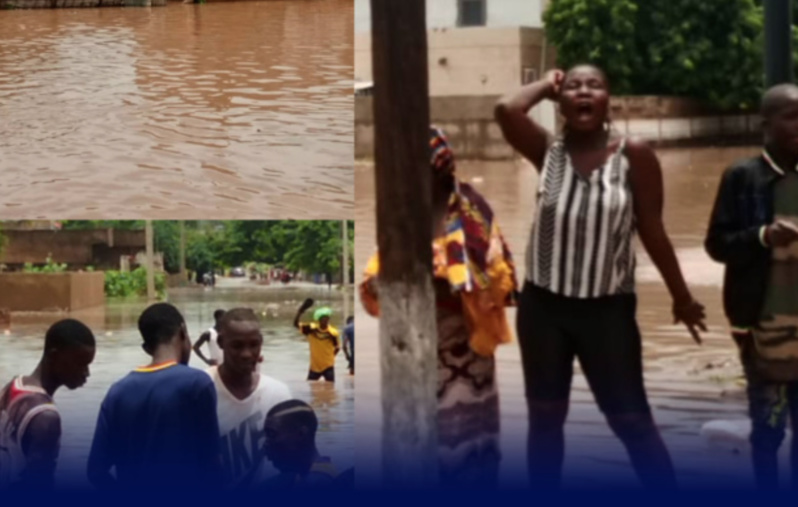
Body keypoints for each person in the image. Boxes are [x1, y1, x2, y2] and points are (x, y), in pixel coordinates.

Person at [494, 64, 706, 490]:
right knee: (546, 420)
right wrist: (547, 83)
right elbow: (506, 109)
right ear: (561, 102)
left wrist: (682, 298)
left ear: (609, 100)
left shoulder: (634, 155)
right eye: (573, 87)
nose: (584, 92)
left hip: (607, 312)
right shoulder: (547, 151)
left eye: (595, 86)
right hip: (544, 309)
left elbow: (653, 231)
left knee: (632, 421)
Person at [360, 127, 518, 488]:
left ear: (437, 169)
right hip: (410, 355)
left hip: (464, 353)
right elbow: (375, 280)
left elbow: (496, 280)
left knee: (465, 447)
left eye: (413, 169)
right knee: (410, 448)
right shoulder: (401, 216)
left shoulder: (470, 212)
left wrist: (446, 275)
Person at [705, 83, 798, 491]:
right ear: (766, 125)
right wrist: (762, 236)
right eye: (792, 117)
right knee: (768, 429)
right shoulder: (742, 176)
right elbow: (717, 245)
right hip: (762, 330)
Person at [86, 303, 221, 490]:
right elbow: (211, 465)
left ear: (146, 348)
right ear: (183, 331)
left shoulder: (117, 392)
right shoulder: (197, 384)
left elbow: (96, 471)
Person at [0, 320, 96, 490]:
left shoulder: (14, 386)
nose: (86, 373)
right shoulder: (45, 417)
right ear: (54, 356)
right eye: (80, 364)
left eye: (88, 365)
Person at [205, 308, 292, 489]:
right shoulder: (202, 390)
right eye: (237, 346)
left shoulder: (278, 395)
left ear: (261, 343)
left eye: (253, 345)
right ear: (221, 343)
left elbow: (294, 460)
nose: (246, 354)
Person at [257, 400, 340, 490]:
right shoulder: (303, 475)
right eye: (266, 436)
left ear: (301, 434)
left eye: (272, 435)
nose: (265, 444)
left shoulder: (316, 483)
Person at [294, 301, 340, 382]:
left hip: (328, 365)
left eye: (327, 319)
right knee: (309, 385)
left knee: (330, 387)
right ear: (319, 320)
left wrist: (330, 357)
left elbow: (337, 347)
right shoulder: (311, 329)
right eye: (323, 319)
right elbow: (296, 324)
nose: (325, 321)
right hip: (315, 366)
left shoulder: (333, 333)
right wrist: (300, 312)